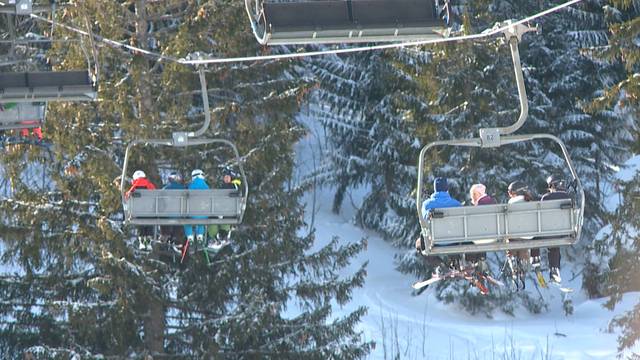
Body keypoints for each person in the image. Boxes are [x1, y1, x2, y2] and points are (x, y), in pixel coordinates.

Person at [415, 177, 462, 269]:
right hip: (454, 240)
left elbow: (424, 221)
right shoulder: (456, 204)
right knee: (453, 237)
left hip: (434, 241)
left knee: (419, 244)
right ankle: (455, 261)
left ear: (435, 188)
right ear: (447, 189)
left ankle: (438, 265)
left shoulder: (427, 205)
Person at [537, 175, 569, 283]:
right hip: (565, 230)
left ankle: (537, 260)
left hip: (549, 231)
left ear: (552, 185)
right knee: (555, 246)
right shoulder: (568, 197)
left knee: (549, 243)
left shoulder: (546, 198)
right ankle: (555, 269)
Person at [207, 167, 242, 246]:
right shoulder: (224, 186)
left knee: (218, 218)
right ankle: (215, 237)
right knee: (212, 218)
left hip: (229, 211)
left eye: (227, 177)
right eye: (225, 177)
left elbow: (232, 198)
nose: (225, 179)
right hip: (223, 210)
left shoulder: (233, 185)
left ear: (231, 178)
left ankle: (220, 236)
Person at [467, 183, 497, 272]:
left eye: (474, 194)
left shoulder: (480, 204)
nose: (472, 197)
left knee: (470, 236)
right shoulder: (492, 201)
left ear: (479, 194)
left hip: (481, 236)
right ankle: (482, 259)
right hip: (494, 235)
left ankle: (472, 262)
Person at [125, 170, 156, 251]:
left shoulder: (134, 187)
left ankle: (142, 242)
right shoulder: (150, 185)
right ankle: (148, 243)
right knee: (149, 224)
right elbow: (156, 195)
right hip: (149, 212)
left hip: (138, 213)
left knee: (141, 225)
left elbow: (127, 197)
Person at [184, 169, 209, 247]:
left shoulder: (191, 185)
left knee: (187, 221)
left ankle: (190, 236)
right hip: (204, 214)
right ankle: (200, 236)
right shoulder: (206, 186)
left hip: (192, 213)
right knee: (201, 219)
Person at [160, 171, 185, 245]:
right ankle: (176, 238)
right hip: (180, 216)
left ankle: (165, 236)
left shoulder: (165, 189)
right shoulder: (184, 189)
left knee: (163, 216)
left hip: (167, 216)